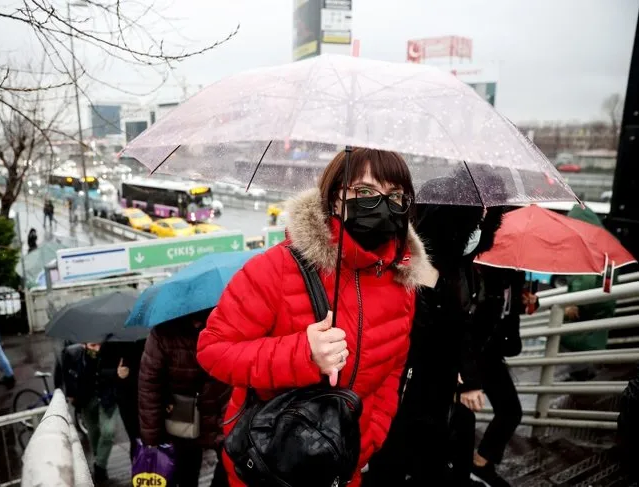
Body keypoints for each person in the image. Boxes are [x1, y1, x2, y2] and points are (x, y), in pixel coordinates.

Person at [197, 148, 431, 487]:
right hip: (268, 462)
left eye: (395, 195)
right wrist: (303, 354)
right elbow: (213, 349)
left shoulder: (402, 281)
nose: (381, 204)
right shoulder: (276, 269)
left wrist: (368, 441)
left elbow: (393, 370)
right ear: (334, 197)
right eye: (364, 192)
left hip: (341, 465)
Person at [365, 178, 504, 486]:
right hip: (401, 387)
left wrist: (465, 376)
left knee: (430, 459)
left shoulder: (458, 265)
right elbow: (428, 328)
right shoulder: (409, 264)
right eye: (476, 215)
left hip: (437, 390)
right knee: (391, 462)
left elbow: (459, 325)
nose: (481, 221)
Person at [138, 310, 232, 487]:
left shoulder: (224, 323)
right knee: (186, 474)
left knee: (230, 467)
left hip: (222, 411)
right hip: (183, 419)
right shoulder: (163, 333)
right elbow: (149, 387)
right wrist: (152, 439)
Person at [462, 265, 536, 487]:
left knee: (510, 412)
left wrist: (529, 302)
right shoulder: (480, 269)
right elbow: (465, 315)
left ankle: (480, 462)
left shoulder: (514, 274)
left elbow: (507, 311)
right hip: (469, 353)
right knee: (461, 416)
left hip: (492, 353)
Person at [560, 204, 617, 380]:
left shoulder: (589, 249)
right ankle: (583, 379)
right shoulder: (606, 245)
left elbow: (584, 281)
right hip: (600, 309)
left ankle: (580, 381)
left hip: (586, 312)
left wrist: (573, 302)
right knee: (588, 347)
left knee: (573, 346)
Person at [60, 341, 120, 483]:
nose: (97, 349)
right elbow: (68, 375)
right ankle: (99, 458)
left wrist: (116, 373)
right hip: (86, 398)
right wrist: (71, 393)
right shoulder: (74, 354)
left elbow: (116, 370)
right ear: (84, 344)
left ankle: (99, 466)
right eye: (93, 345)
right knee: (93, 431)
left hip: (108, 397)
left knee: (108, 431)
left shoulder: (111, 348)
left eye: (99, 345)